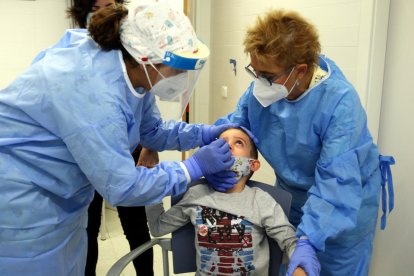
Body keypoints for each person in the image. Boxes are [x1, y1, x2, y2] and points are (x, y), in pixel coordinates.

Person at [0, 3, 239, 275]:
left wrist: (202, 134)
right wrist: (190, 168)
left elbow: (151, 131)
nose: (182, 79)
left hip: (61, 199)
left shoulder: (130, 72)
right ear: (145, 59)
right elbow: (122, 186)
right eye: (178, 69)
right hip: (21, 205)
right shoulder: (94, 91)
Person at [211, 9, 395, 276]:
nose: (258, 83)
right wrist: (204, 148)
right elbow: (235, 126)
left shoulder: (340, 104)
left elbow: (336, 183)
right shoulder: (264, 90)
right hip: (291, 201)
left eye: (267, 76)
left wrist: (307, 241)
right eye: (255, 72)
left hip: (342, 209)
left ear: (300, 71)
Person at [145, 127, 320, 276]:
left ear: (252, 165)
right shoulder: (196, 195)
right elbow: (158, 227)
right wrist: (152, 181)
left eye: (238, 143)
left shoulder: (261, 200)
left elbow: (289, 240)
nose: (227, 145)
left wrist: (300, 265)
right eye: (221, 142)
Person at [67, 1, 157, 275]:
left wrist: (150, 145)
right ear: (84, 15)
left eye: (111, 6)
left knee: (136, 225)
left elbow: (147, 109)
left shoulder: (131, 52)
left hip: (129, 149)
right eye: (97, 7)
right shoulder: (71, 61)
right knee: (88, 226)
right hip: (88, 154)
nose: (106, 13)